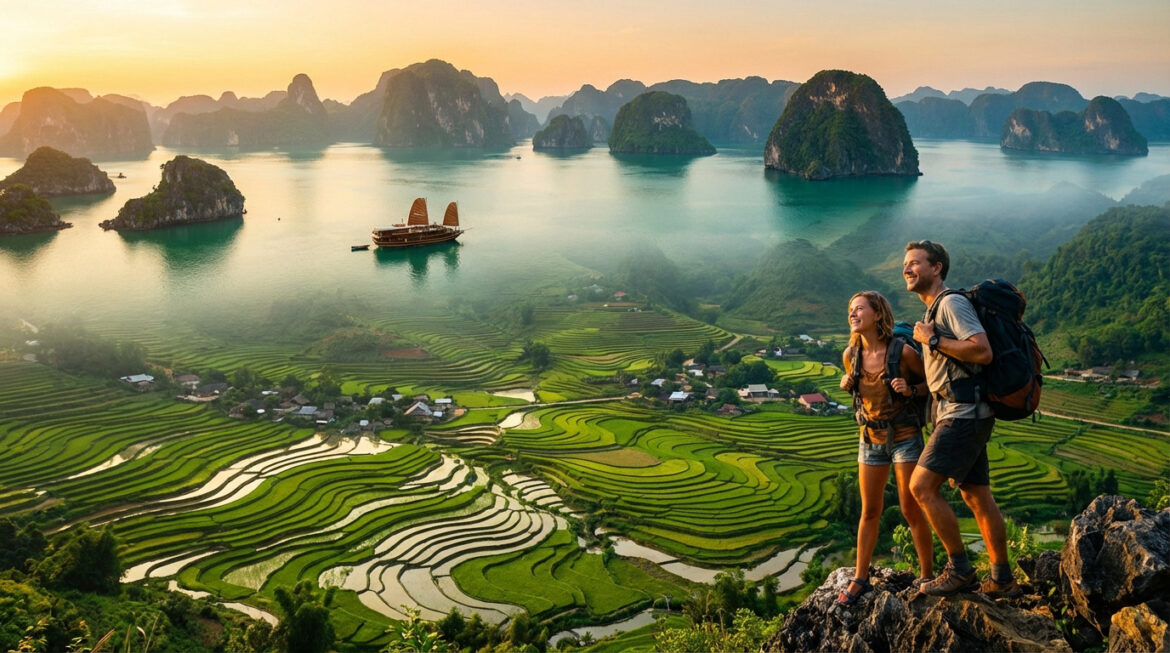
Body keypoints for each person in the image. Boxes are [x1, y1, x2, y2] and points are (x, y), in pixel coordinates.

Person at [902, 240, 1021, 598]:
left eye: (915, 263)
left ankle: (960, 570)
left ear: (937, 267)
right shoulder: (932, 312)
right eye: (905, 264)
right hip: (961, 412)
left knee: (921, 487)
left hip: (963, 414)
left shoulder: (951, 303)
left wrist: (933, 339)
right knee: (976, 495)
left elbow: (981, 351)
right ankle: (1002, 579)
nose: (907, 269)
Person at [835, 290, 934, 606]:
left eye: (859, 308)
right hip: (870, 440)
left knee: (910, 508)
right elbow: (857, 389)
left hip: (905, 438)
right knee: (869, 511)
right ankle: (860, 578)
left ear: (877, 314)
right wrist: (846, 381)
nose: (853, 314)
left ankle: (928, 577)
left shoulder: (902, 352)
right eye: (850, 309)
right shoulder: (851, 356)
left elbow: (931, 384)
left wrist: (911, 388)